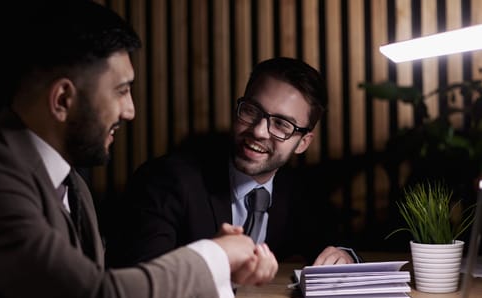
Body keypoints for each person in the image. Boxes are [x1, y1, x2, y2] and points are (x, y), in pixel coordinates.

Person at [0, 1, 278, 298]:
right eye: (121, 91)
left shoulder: (72, 182)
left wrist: (222, 265)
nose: (131, 111)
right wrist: (215, 255)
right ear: (63, 99)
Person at [105, 57, 360, 268]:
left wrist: (343, 254)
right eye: (251, 110)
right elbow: (143, 279)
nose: (259, 131)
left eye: (282, 124)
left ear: (303, 143)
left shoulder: (299, 192)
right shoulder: (166, 180)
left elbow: (334, 240)